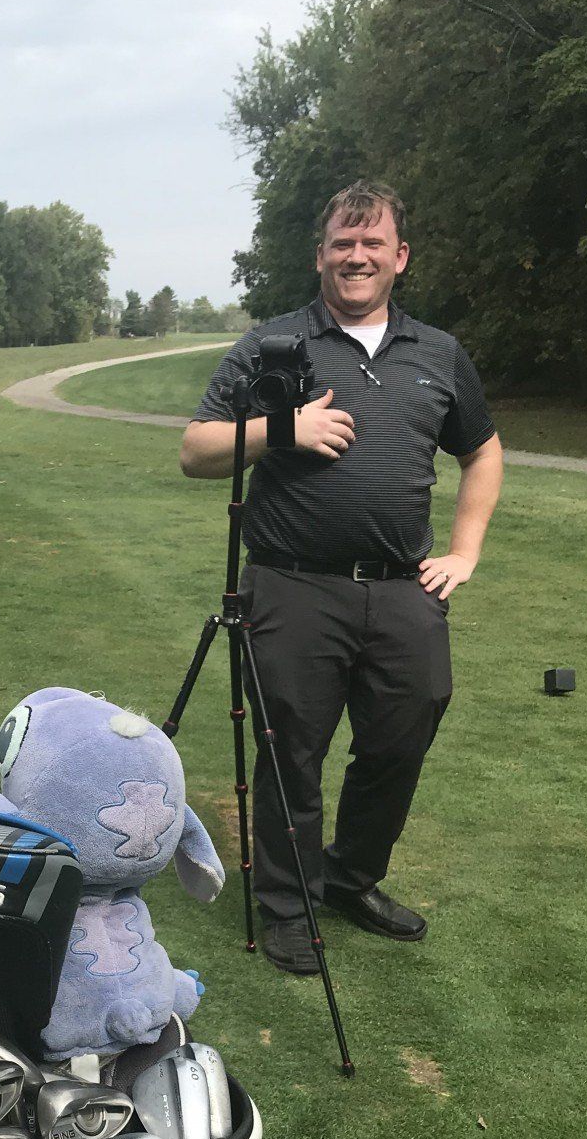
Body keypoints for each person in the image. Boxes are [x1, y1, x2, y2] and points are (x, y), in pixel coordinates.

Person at [179, 181, 503, 975]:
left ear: (400, 257)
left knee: (405, 732)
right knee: (290, 747)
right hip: (292, 585)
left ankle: (348, 877)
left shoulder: (438, 353)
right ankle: (287, 906)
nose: (356, 257)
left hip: (403, 589)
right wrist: (285, 427)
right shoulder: (274, 346)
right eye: (341, 244)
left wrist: (464, 552)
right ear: (321, 254)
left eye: (372, 244)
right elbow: (195, 450)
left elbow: (481, 451)